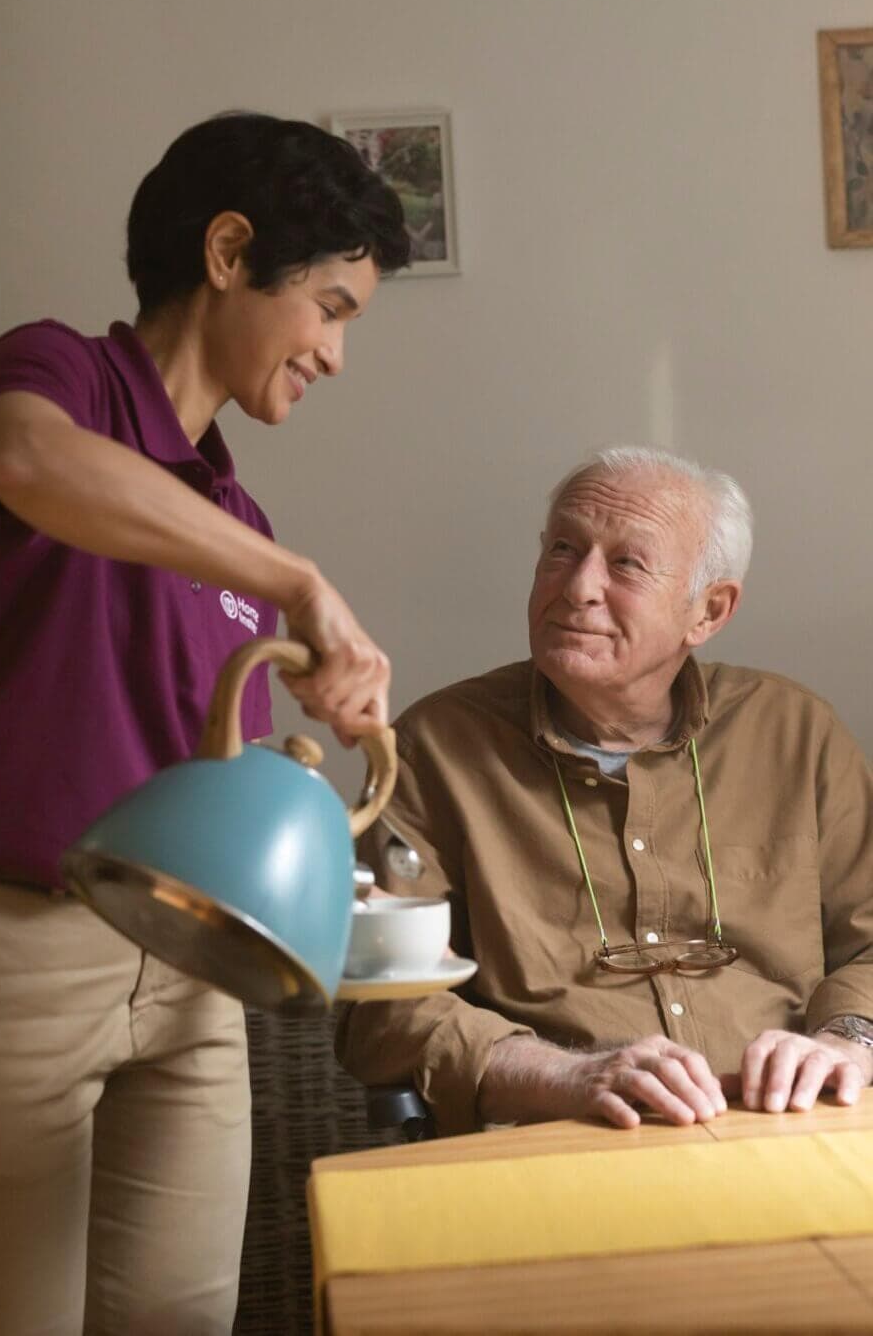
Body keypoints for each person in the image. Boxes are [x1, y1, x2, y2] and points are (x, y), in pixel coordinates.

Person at [0, 111, 409, 1336]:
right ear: (229, 252)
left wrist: (301, 764)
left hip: (185, 969)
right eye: (330, 307)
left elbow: (180, 769)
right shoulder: (58, 375)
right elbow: (20, 457)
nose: (334, 352)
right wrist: (296, 583)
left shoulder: (236, 508)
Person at [338, 446, 873, 1138]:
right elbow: (379, 1008)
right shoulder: (434, 747)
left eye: (626, 563)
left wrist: (845, 1039)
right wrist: (558, 1074)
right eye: (563, 548)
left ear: (707, 611)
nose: (578, 585)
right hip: (564, 1139)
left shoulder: (796, 734)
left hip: (791, 1128)